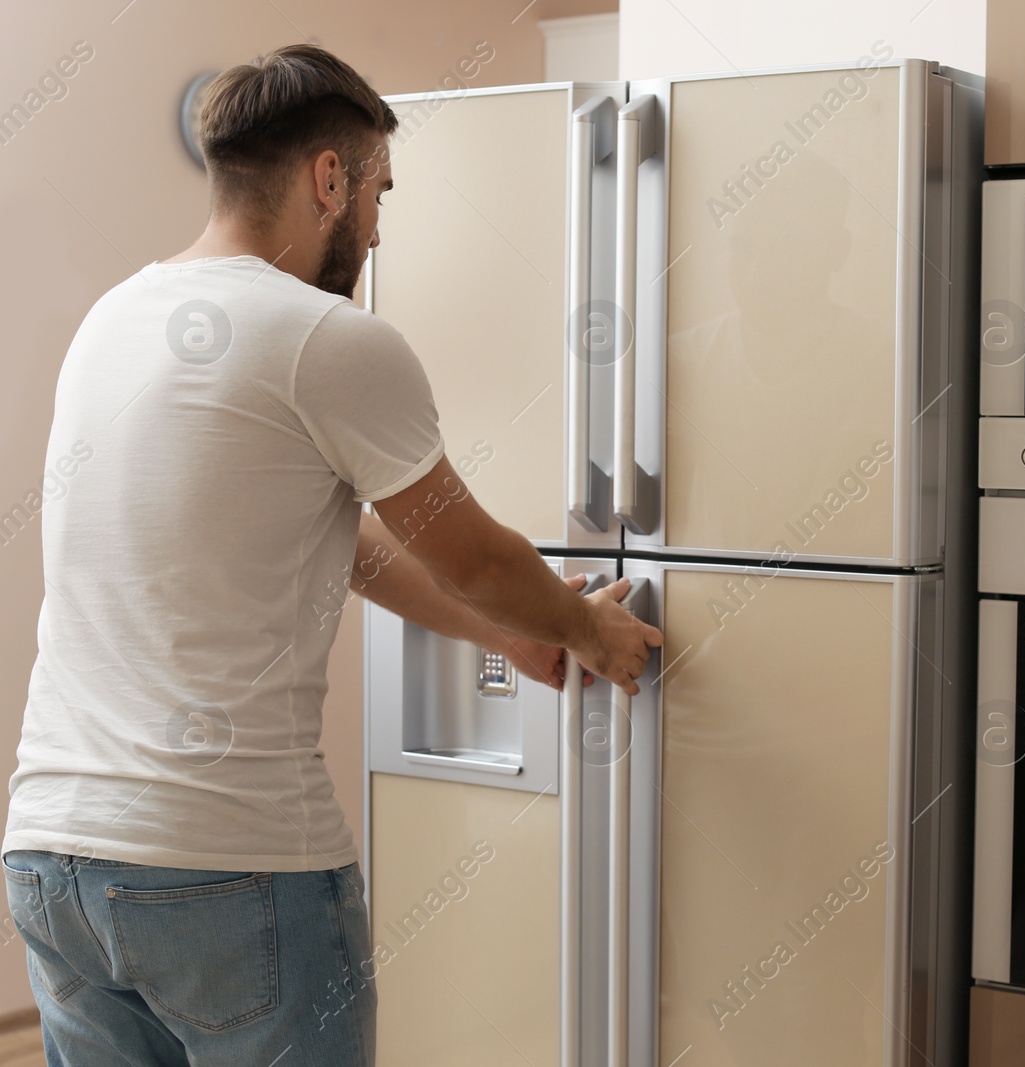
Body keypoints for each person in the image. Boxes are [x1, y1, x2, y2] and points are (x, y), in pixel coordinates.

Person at [1, 43, 661, 1066]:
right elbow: (473, 548)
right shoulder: (327, 337)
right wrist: (584, 627)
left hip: (54, 854)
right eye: (378, 191)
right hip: (229, 863)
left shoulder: (112, 321)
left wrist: (506, 636)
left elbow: (340, 544)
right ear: (328, 178)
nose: (379, 225)